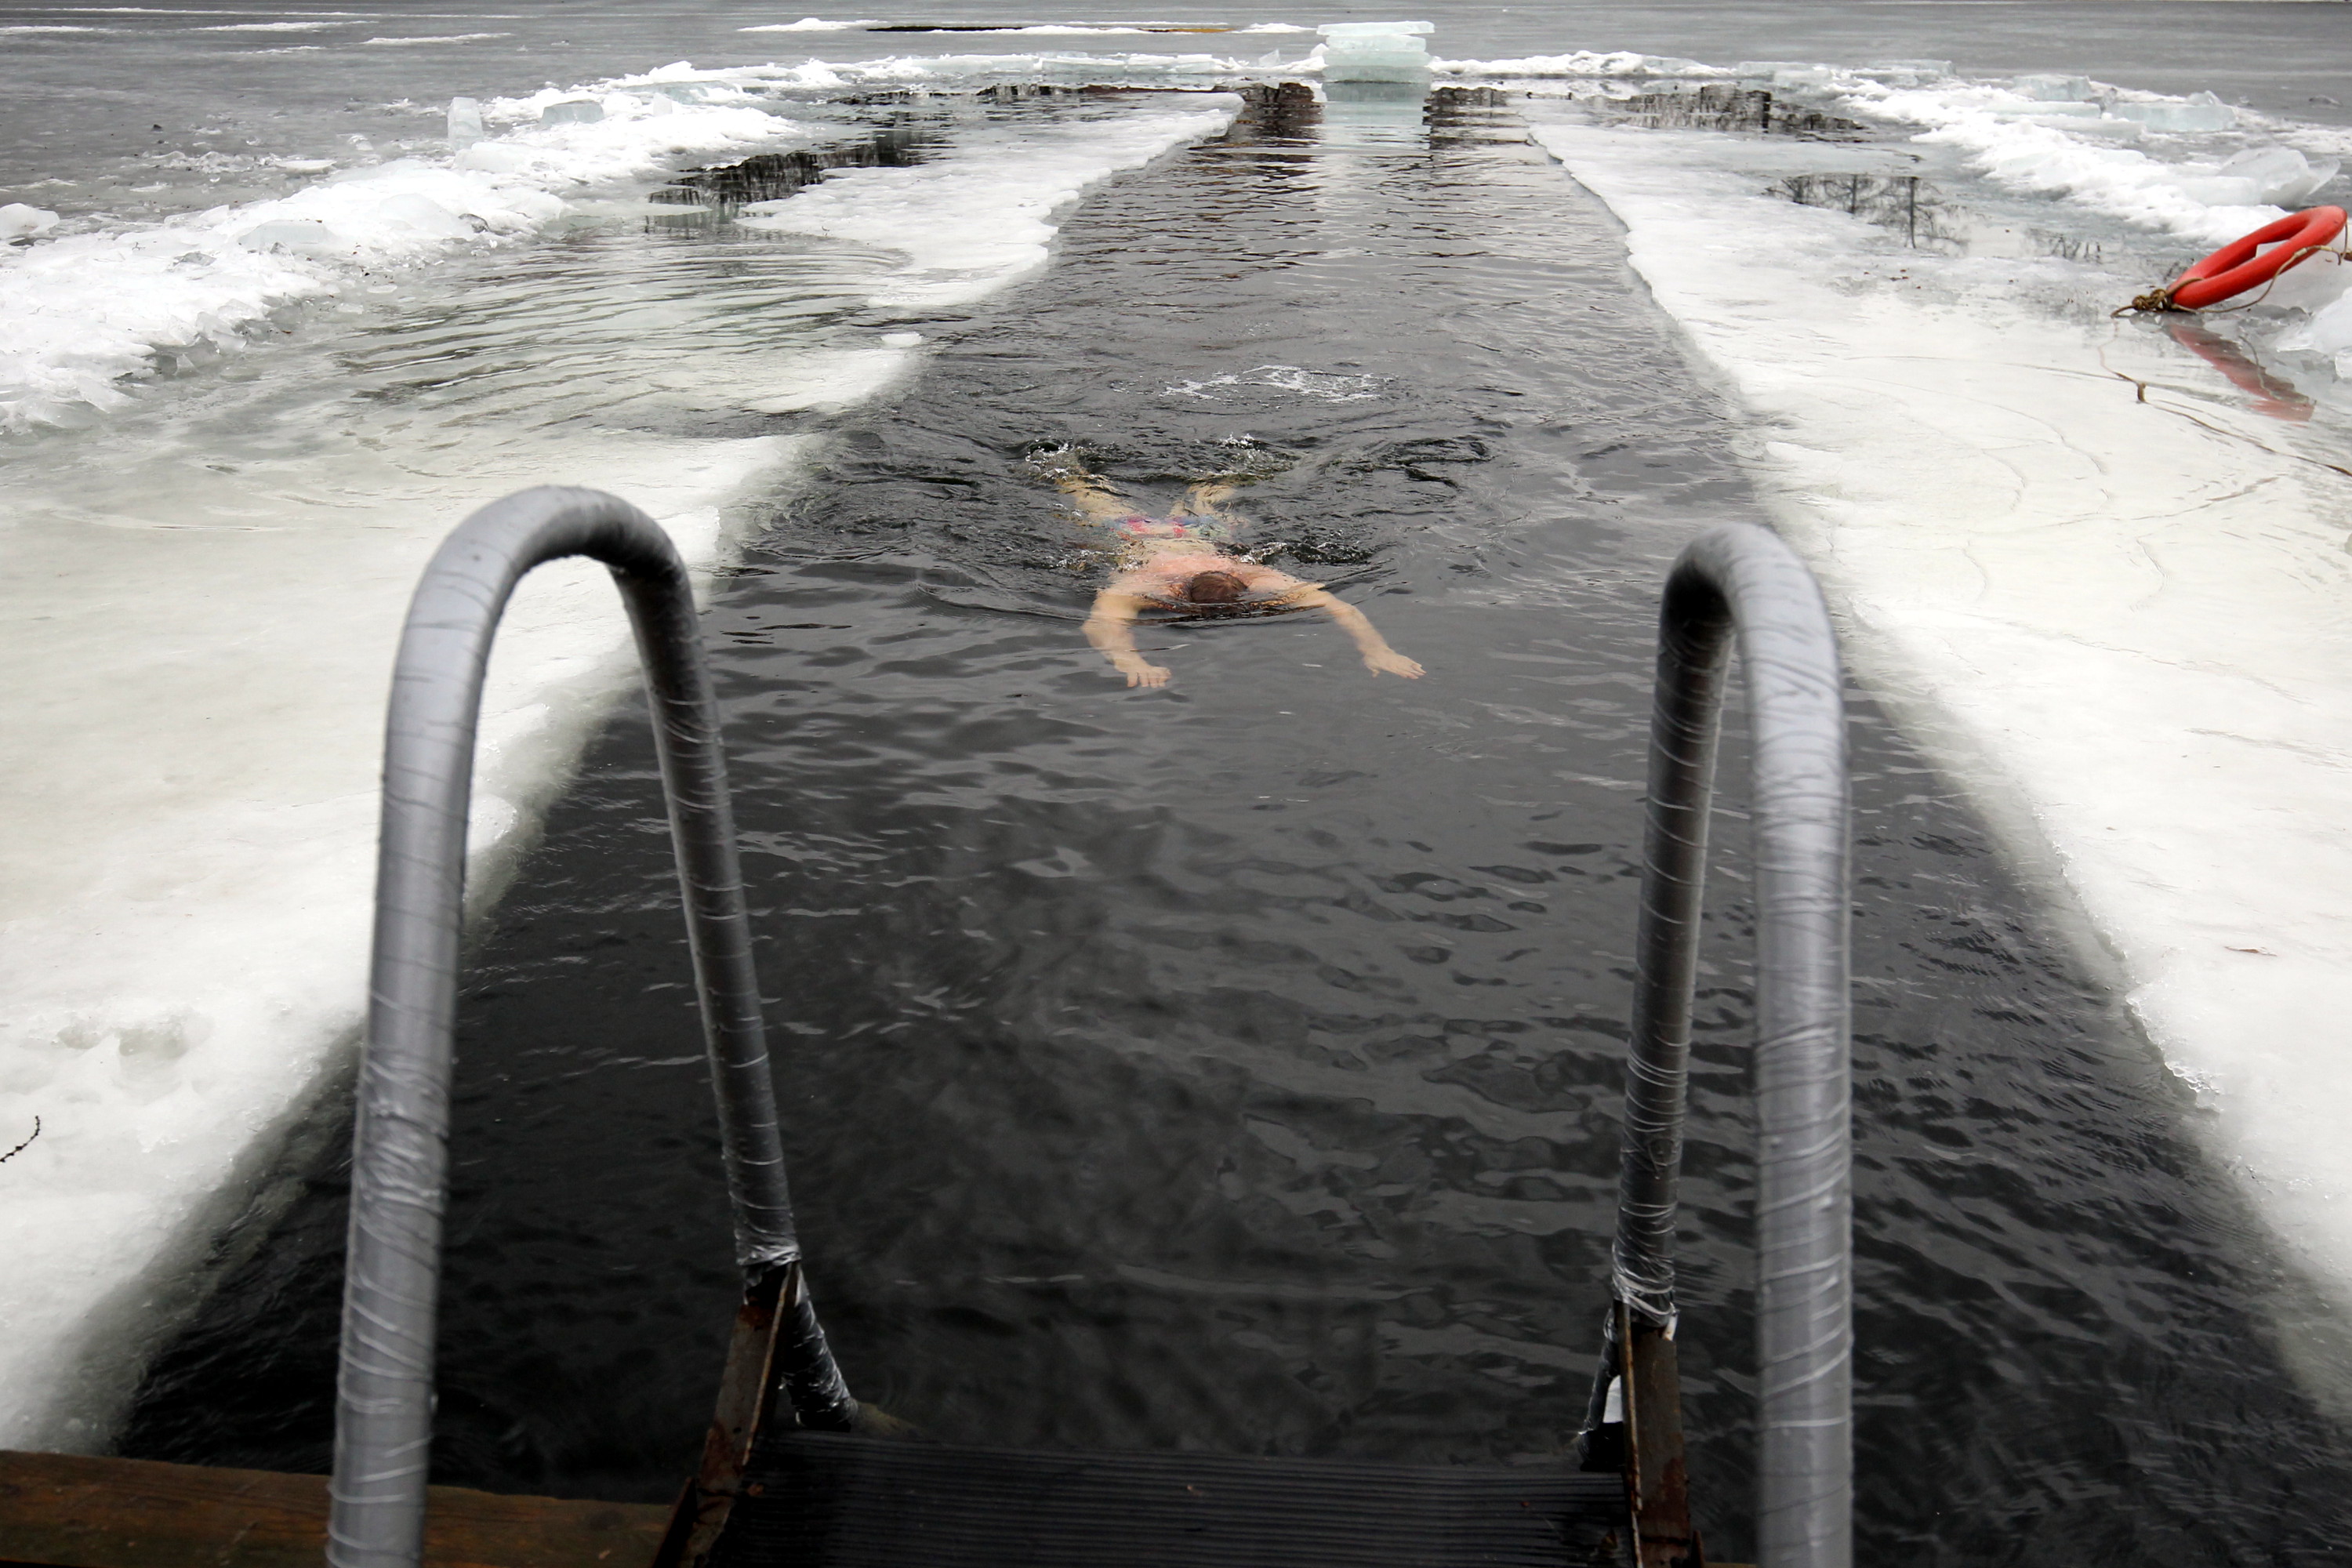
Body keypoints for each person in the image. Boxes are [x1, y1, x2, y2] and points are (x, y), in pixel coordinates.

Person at [1040, 456, 1425, 690]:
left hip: (1144, 535)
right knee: (1202, 496)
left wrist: (1132, 662)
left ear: (1180, 591)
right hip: (1177, 534)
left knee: (1084, 491)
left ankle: (1061, 467)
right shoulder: (1261, 578)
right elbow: (1342, 608)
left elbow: (1102, 624)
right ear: (1246, 587)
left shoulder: (1145, 584)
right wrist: (1377, 650)